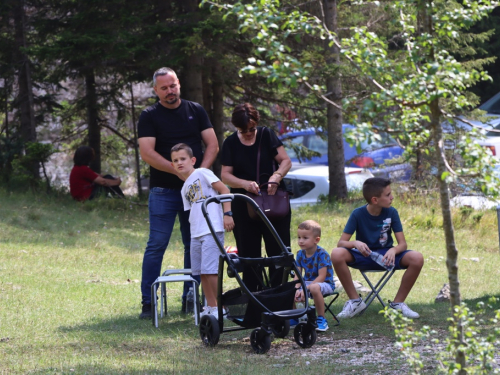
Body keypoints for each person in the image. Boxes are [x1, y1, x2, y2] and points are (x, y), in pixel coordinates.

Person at [137, 67, 218, 319]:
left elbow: (213, 144)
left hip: (196, 195)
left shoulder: (195, 110)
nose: (169, 91)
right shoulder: (149, 115)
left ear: (179, 84)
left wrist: (198, 177)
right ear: (156, 90)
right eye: (164, 88)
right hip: (163, 190)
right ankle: (148, 304)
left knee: (193, 244)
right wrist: (179, 173)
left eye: (173, 86)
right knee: (156, 245)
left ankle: (190, 299)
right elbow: (147, 153)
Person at [221, 103, 292, 292]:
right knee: (249, 254)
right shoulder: (230, 143)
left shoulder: (266, 135)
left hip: (273, 200)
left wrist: (276, 177)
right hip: (244, 205)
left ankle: (280, 296)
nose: (249, 133)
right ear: (236, 127)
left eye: (252, 129)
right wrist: (244, 184)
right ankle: (255, 298)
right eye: (244, 130)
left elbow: (285, 161)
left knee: (278, 251)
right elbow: (225, 175)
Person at [330, 177, 424, 319]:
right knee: (337, 254)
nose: (392, 197)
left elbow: (403, 244)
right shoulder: (358, 214)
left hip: (387, 256)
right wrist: (355, 243)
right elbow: (341, 243)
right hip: (364, 255)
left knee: (417, 258)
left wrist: (393, 250)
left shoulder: (392, 212)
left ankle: (397, 304)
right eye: (388, 195)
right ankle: (355, 302)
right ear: (375, 200)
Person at [171, 143, 234, 319]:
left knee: (211, 269)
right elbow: (193, 212)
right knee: (201, 272)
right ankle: (211, 307)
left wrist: (227, 214)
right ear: (172, 165)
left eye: (183, 159)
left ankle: (221, 308)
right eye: (175, 160)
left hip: (211, 228)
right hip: (196, 233)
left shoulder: (202, 173)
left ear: (192, 160)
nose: (179, 162)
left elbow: (224, 190)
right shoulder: (184, 188)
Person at [291, 220, 335, 332]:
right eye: (299, 237)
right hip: (308, 283)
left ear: (316, 240)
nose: (300, 241)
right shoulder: (300, 254)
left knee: (314, 287)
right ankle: (296, 317)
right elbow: (298, 275)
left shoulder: (322, 254)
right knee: (290, 287)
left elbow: (322, 277)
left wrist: (305, 289)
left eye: (305, 238)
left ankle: (321, 320)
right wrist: (296, 288)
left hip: (325, 284)